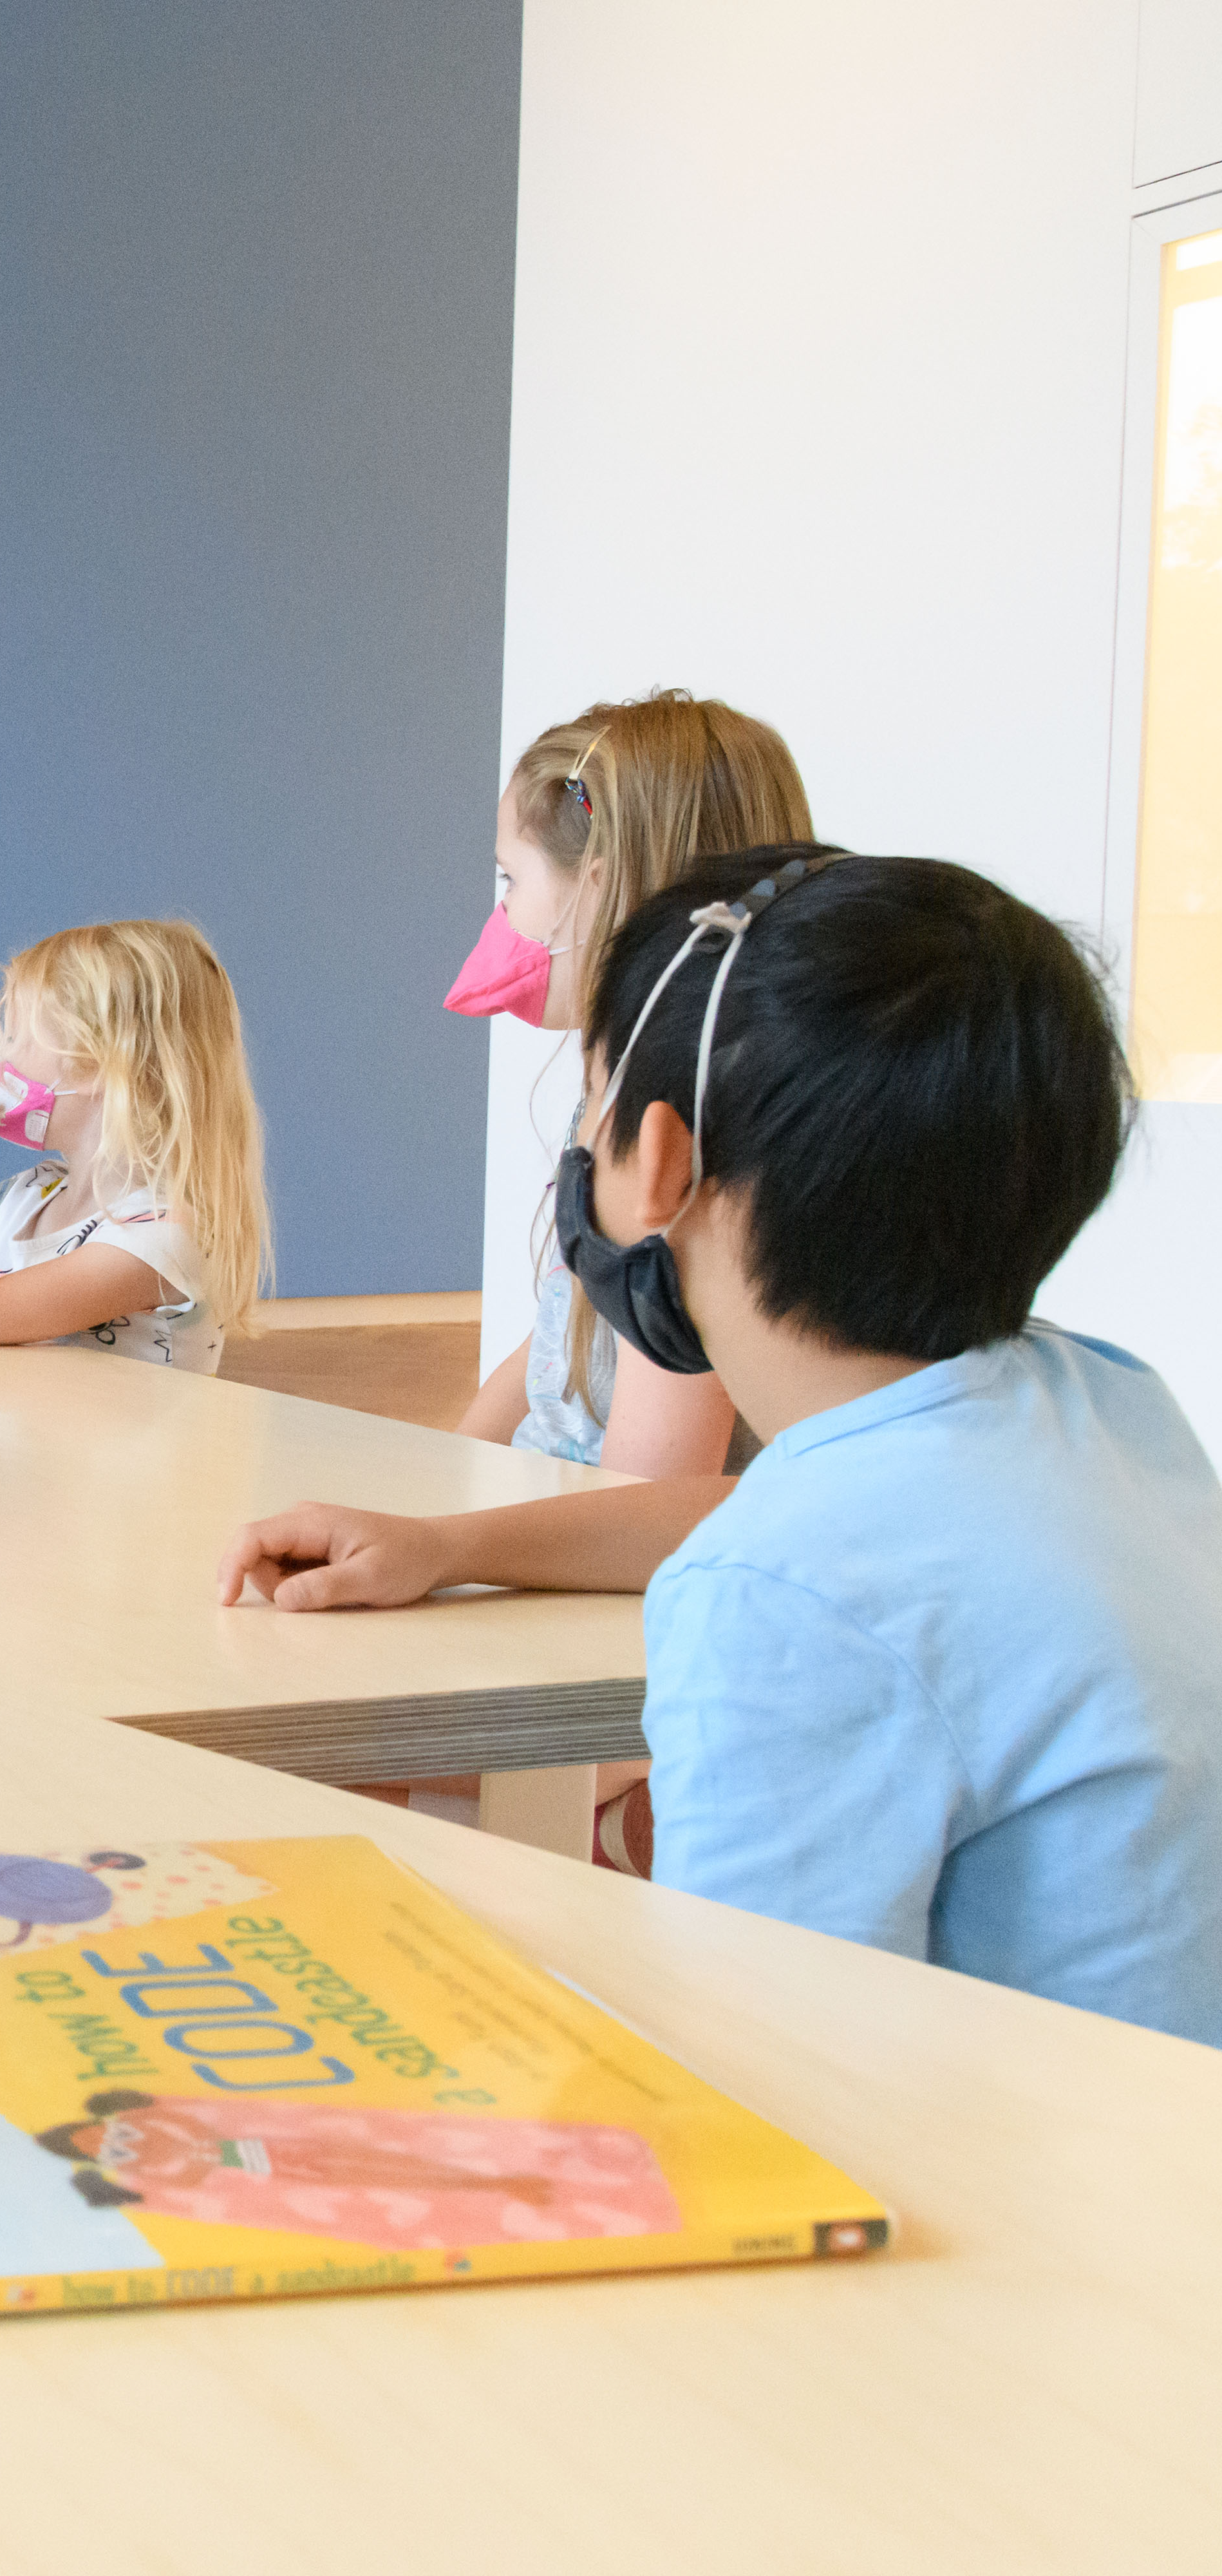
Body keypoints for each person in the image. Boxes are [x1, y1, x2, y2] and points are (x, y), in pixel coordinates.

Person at [216, 852, 1222, 2045]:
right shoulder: (1096, 1403)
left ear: (666, 1159)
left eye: (592, 1102)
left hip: (1039, 2213)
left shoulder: (777, 1594)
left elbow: (755, 2067)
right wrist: (449, 1545)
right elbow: (786, 1532)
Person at [448, 692, 812, 1479]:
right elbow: (563, 1326)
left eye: (509, 879)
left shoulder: (680, 1145)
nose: (501, 915)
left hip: (607, 1562)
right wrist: (434, 1470)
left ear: (600, 890)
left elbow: (649, 1497)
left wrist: (446, 1544)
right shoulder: (612, 1099)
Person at [0, 919, 268, 1374]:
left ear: (99, 1064)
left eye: (18, 1038)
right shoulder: (27, 1199)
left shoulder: (165, 1237)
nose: (0, 1062)